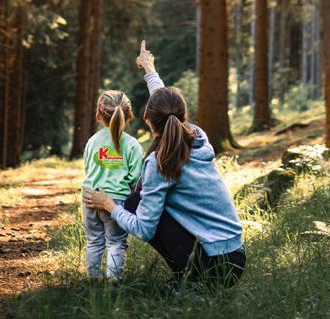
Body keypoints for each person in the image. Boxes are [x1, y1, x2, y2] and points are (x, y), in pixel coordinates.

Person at [83, 41, 246, 286]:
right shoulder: (197, 135)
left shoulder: (159, 163)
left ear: (146, 118)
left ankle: (194, 279)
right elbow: (166, 105)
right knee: (142, 198)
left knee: (135, 200)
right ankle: (192, 275)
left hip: (214, 267)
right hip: (235, 257)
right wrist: (149, 69)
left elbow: (144, 229)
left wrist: (109, 205)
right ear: (182, 116)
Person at [81, 90, 144, 280]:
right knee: (115, 243)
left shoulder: (92, 142)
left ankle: (92, 281)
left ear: (98, 114)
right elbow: (137, 179)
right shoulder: (132, 145)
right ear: (129, 115)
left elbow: (88, 168)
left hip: (90, 198)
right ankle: (113, 284)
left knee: (94, 241)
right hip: (115, 203)